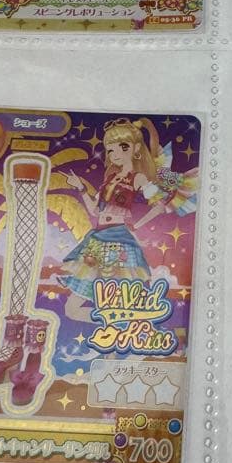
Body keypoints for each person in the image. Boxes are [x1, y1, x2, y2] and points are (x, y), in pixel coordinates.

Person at [58, 117, 195, 320]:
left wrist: (135, 226)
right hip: (97, 240)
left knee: (115, 299)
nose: (116, 154)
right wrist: (80, 188)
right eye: (111, 150)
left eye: (123, 147)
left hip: (119, 241)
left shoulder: (138, 178)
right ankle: (115, 329)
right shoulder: (110, 178)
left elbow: (159, 206)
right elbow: (95, 211)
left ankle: (121, 330)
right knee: (71, 310)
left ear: (136, 148)